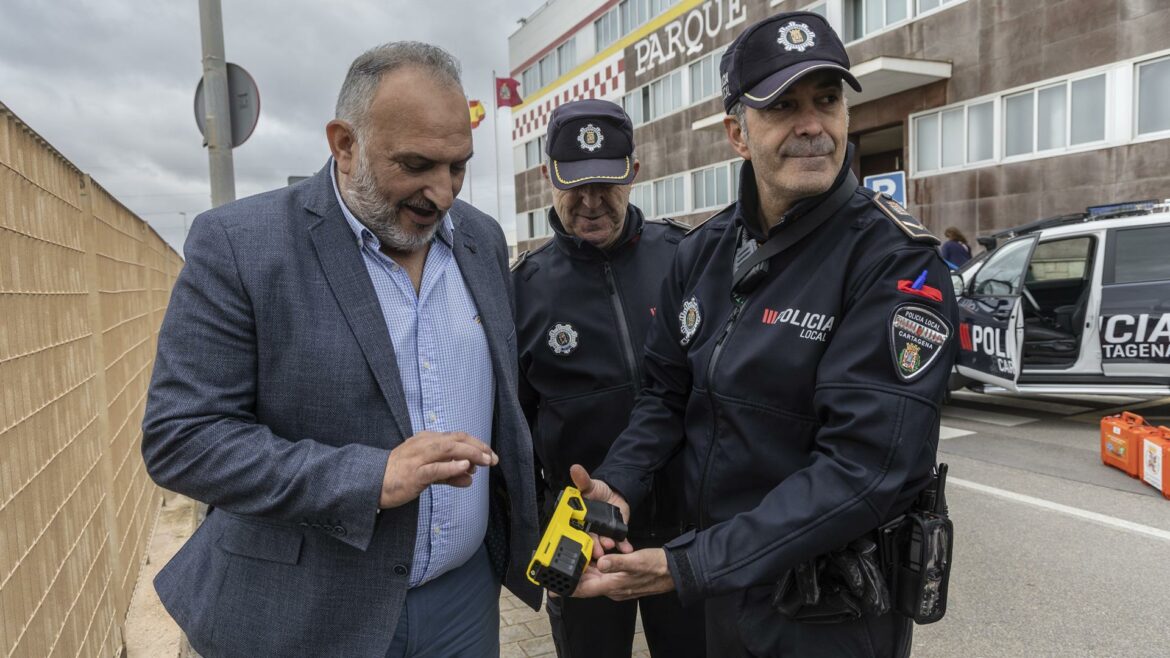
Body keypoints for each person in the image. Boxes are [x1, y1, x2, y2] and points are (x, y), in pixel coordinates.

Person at [568, 11, 959, 657]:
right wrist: (618, 483)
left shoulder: (896, 264)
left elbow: (864, 469)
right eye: (781, 106)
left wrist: (689, 564)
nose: (811, 125)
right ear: (736, 133)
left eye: (827, 100)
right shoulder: (702, 253)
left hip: (828, 614)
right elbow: (664, 396)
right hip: (720, 595)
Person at [141, 42, 541, 657]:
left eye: (457, 167)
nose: (443, 194)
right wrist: (369, 477)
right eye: (416, 165)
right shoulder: (239, 244)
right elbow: (183, 438)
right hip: (304, 615)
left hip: (464, 602)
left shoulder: (483, 240)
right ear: (344, 143)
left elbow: (505, 407)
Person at [512, 99, 706, 658]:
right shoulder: (524, 288)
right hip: (581, 537)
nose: (592, 202)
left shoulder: (687, 257)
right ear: (550, 176)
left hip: (687, 529)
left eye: (607, 184)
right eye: (575, 185)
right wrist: (541, 517)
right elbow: (518, 426)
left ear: (635, 174)